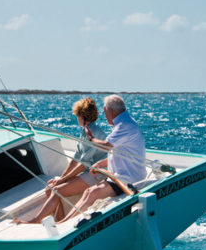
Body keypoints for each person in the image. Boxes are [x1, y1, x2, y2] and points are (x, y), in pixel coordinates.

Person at [14, 97, 107, 223]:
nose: (76, 118)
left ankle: (36, 220)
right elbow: (75, 159)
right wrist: (60, 178)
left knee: (57, 190)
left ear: (82, 115)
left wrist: (63, 181)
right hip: (88, 172)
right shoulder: (84, 132)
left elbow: (82, 165)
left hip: (98, 174)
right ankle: (59, 220)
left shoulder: (93, 133)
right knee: (50, 189)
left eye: (77, 115)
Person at [57, 94, 146, 223]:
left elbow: (106, 146)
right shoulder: (124, 123)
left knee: (93, 193)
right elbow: (118, 152)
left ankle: (64, 224)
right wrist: (100, 163)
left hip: (128, 179)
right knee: (88, 191)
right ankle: (65, 221)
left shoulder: (124, 125)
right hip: (118, 176)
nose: (104, 116)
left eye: (105, 112)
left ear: (111, 111)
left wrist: (91, 138)